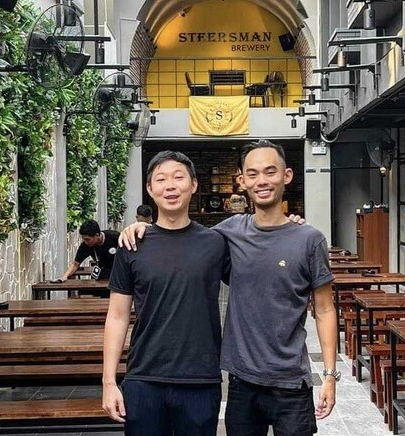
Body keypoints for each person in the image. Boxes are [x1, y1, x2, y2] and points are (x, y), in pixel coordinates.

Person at [119, 140, 338, 435]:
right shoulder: (230, 231)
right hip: (241, 380)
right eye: (253, 174)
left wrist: (329, 375)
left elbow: (324, 310)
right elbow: (184, 239)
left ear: (286, 175)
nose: (262, 181)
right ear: (242, 181)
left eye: (270, 172)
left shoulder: (309, 239)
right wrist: (145, 229)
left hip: (291, 382)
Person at [102, 151, 229, 436]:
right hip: (144, 378)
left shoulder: (215, 243)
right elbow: (117, 316)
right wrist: (109, 382)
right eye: (161, 179)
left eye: (178, 177)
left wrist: (289, 225)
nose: (170, 186)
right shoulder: (132, 245)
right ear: (150, 189)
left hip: (200, 379)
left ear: (193, 185)